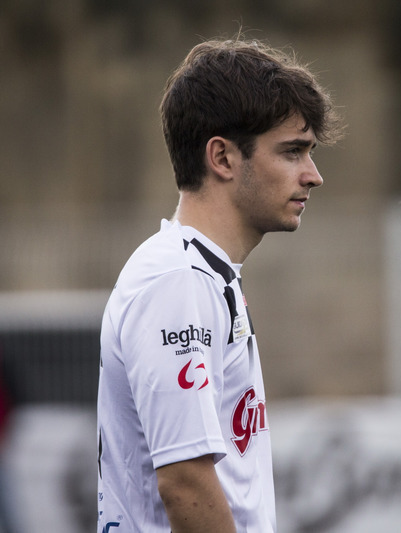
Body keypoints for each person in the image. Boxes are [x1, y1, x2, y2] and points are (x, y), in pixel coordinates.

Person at [96, 36, 341, 533]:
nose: (313, 176)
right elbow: (184, 479)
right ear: (223, 158)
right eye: (293, 151)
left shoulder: (204, 275)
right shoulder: (177, 282)